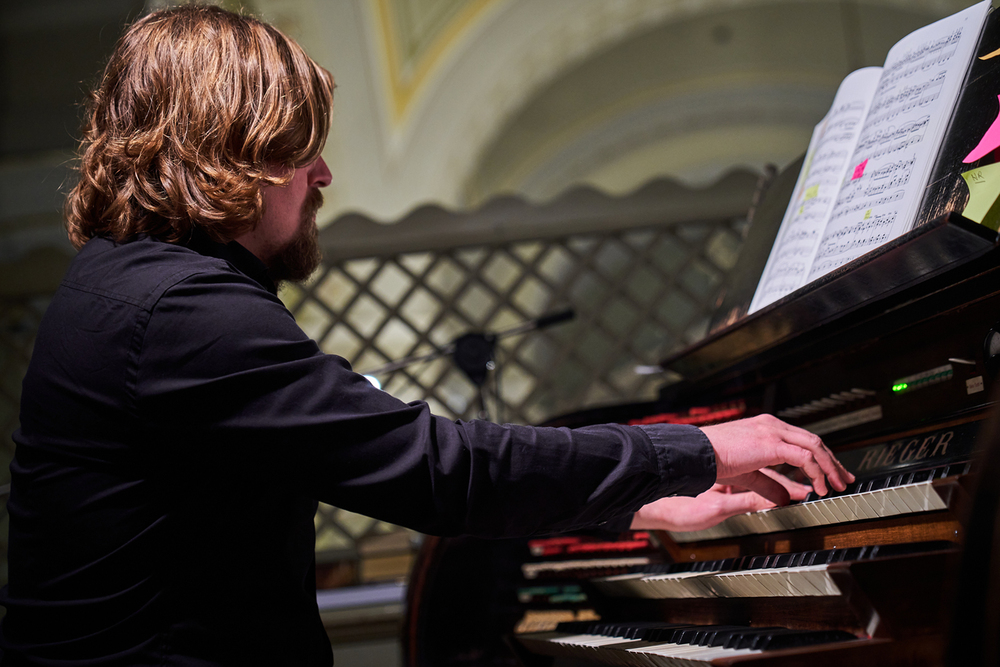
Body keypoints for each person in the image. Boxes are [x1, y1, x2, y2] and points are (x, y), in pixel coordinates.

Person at [0, 4, 853, 666]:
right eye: (300, 148)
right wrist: (695, 449)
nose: (323, 173)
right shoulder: (184, 313)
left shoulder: (123, 282)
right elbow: (444, 470)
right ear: (229, 155)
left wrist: (629, 496)